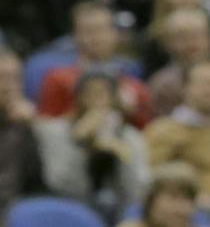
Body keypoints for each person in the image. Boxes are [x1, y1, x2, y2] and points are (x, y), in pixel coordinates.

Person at [35, 68, 149, 218]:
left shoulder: (129, 136)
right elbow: (60, 184)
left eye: (104, 94)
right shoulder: (54, 131)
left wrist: (121, 154)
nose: (97, 101)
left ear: (115, 100)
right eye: (90, 93)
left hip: (116, 213)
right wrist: (80, 144)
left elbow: (137, 192)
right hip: (67, 211)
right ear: (77, 98)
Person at [143, 59, 210, 206]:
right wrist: (192, 196)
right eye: (204, 83)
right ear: (185, 88)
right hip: (190, 208)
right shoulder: (162, 130)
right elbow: (151, 178)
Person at [37, 1, 151, 127]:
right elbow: (45, 127)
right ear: (75, 36)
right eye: (88, 31)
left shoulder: (133, 86)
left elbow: (147, 130)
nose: (96, 37)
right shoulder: (57, 79)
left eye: (102, 30)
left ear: (115, 35)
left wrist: (131, 111)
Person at [148, 8, 210, 122]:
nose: (192, 44)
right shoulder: (162, 87)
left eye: (197, 36)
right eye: (183, 38)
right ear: (169, 43)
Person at [0, 49, 42, 210]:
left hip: (17, 208)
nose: (10, 87)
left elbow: (42, 182)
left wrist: (36, 128)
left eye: (16, 79)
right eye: (2, 78)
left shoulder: (26, 123)